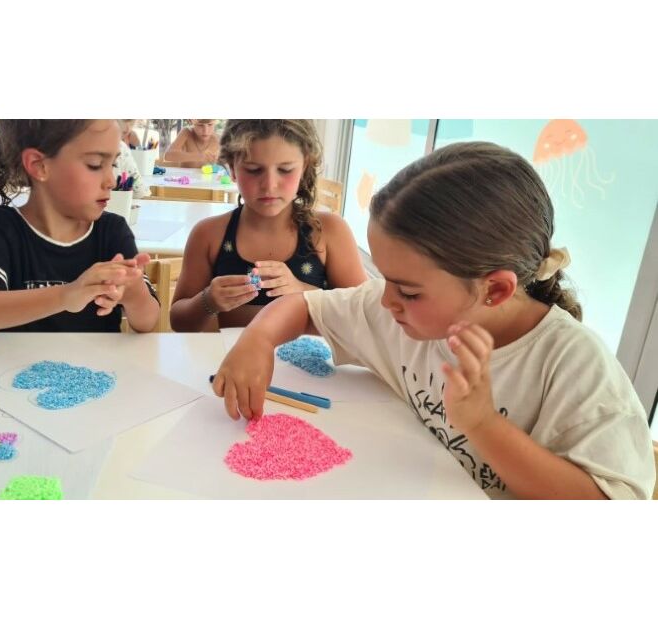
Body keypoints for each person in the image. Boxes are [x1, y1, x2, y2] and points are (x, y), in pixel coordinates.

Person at [212, 141, 655, 500]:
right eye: (385, 279)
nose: (387, 300)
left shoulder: (573, 365)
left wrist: (483, 424)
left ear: (495, 289)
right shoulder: (399, 315)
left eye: (408, 291)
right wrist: (259, 339)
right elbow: (305, 306)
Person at [0, 119, 160, 333]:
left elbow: (148, 323)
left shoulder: (112, 231)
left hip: (96, 356)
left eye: (112, 164)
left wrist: (133, 291)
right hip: (15, 357)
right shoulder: (0, 227)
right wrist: (66, 296)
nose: (111, 181)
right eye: (95, 164)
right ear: (39, 166)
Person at [170, 119, 367, 331]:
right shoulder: (209, 235)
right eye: (254, 170)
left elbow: (363, 315)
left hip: (312, 353)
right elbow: (179, 322)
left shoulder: (328, 232)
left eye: (285, 169)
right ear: (232, 169)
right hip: (232, 353)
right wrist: (208, 301)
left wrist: (303, 293)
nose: (269, 185)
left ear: (304, 167)